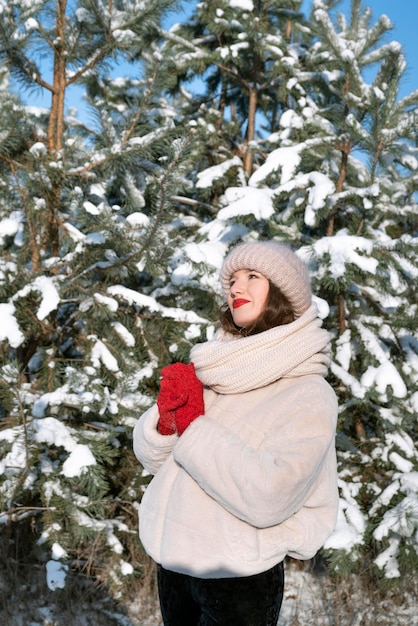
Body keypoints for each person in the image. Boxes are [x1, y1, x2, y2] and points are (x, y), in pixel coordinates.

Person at [133, 240, 339, 626]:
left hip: (238, 574)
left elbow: (270, 494)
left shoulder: (307, 392)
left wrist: (193, 427)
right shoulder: (217, 368)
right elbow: (155, 461)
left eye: (252, 277)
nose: (235, 288)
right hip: (175, 566)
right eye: (231, 280)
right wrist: (165, 422)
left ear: (281, 293)